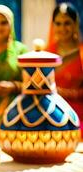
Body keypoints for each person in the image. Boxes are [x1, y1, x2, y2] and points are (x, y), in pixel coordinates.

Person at [46, 2, 83, 135]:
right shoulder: (46, 53)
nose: (62, 28)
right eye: (58, 23)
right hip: (50, 115)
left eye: (67, 23)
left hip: (79, 116)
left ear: (75, 25)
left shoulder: (81, 53)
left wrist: (65, 93)